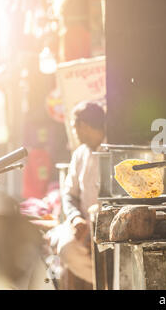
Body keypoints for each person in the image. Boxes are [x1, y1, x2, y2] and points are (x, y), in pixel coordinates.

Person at [49, 101, 105, 284]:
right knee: (58, 244)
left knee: (67, 249)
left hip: (106, 227)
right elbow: (69, 193)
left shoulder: (113, 150)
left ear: (83, 126)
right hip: (82, 226)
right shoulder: (79, 154)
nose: (74, 132)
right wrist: (75, 218)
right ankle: (104, 285)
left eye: (74, 127)